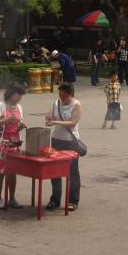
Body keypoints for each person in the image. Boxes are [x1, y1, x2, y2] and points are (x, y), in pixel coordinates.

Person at [45, 83, 82, 211]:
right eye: (59, 93)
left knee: (72, 172)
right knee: (55, 171)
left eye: (63, 94)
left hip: (70, 141)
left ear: (69, 93)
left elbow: (73, 123)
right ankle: (55, 199)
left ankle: (73, 200)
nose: (61, 96)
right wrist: (49, 118)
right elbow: (52, 115)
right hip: (56, 140)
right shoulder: (56, 103)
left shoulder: (76, 105)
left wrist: (55, 122)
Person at [0, 82, 27, 210]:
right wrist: (7, 120)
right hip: (3, 143)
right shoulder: (1, 105)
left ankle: (12, 198)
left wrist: (20, 126)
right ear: (12, 93)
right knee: (1, 171)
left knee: (13, 172)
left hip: (15, 143)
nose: (20, 98)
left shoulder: (19, 107)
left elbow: (18, 124)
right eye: (19, 94)